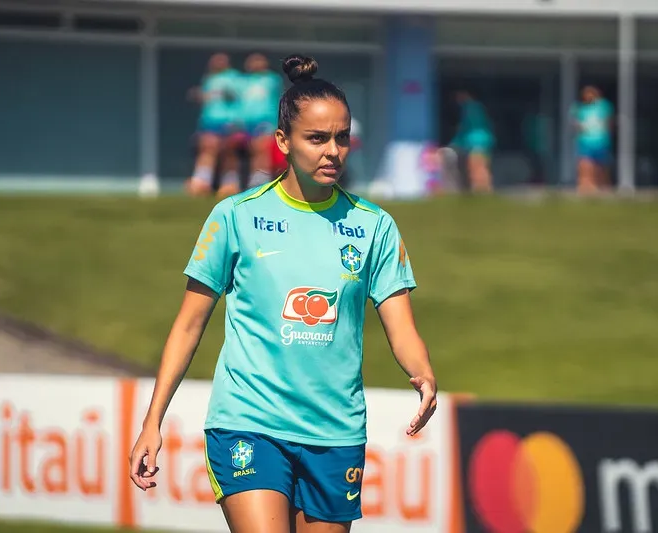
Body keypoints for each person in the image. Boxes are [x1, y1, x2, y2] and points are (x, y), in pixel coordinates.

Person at [129, 54, 438, 533]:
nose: (332, 150)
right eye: (317, 138)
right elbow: (189, 325)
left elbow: (401, 327)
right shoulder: (234, 217)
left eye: (342, 137)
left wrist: (423, 374)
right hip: (248, 422)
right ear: (282, 142)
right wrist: (153, 420)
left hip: (336, 432)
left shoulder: (375, 226)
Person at [185, 52, 244, 198]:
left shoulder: (234, 77)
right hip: (210, 120)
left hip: (228, 120)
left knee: (229, 153)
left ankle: (229, 184)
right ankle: (201, 182)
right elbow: (207, 98)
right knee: (207, 149)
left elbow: (237, 95)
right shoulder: (209, 78)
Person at [240, 52, 285, 189]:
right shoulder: (244, 81)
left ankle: (261, 179)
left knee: (263, 148)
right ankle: (255, 178)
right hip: (247, 122)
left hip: (265, 120)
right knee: (254, 150)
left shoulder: (272, 79)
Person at [449, 90, 495, 193]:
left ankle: (481, 190)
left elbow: (466, 127)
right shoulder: (478, 107)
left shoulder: (469, 108)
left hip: (476, 142)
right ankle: (484, 189)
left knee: (477, 166)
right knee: (481, 166)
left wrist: (456, 142)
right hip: (483, 141)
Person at [571, 85, 614, 193]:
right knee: (585, 165)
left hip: (601, 141)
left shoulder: (603, 106)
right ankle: (585, 186)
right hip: (585, 141)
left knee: (601, 166)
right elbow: (574, 122)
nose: (588, 96)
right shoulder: (579, 108)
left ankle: (604, 186)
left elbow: (609, 121)